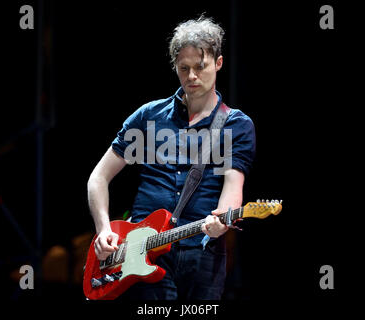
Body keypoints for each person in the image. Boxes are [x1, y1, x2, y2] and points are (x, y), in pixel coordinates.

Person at [87, 15, 255, 300]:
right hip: (140, 251)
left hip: (202, 254)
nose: (191, 77)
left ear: (218, 63)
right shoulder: (148, 116)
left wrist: (222, 219)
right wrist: (103, 230)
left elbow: (232, 186)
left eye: (200, 67)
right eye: (184, 68)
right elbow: (98, 177)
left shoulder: (235, 124)